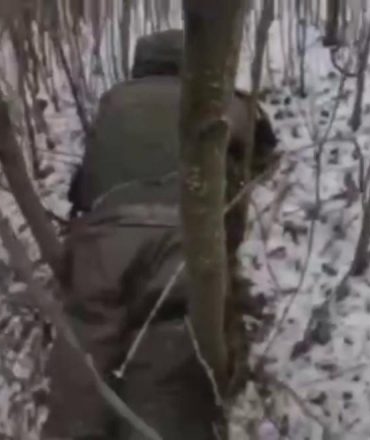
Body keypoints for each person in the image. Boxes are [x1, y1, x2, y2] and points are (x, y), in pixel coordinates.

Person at [45, 29, 278, 439]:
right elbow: (263, 153)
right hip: (183, 234)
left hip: (103, 236)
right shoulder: (222, 100)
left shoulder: (113, 100)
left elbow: (82, 185)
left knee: (86, 350)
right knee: (167, 356)